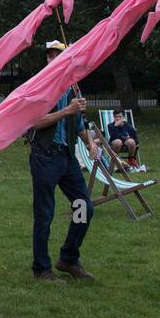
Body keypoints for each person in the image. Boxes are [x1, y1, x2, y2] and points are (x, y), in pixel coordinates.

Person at [25, 40, 96, 280]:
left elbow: (78, 122)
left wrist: (90, 141)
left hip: (67, 158)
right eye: (51, 56)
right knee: (45, 214)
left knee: (83, 207)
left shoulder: (73, 86)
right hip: (44, 156)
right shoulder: (40, 87)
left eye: (59, 55)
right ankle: (41, 268)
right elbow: (33, 122)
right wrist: (67, 111)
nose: (54, 59)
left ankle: (68, 258)